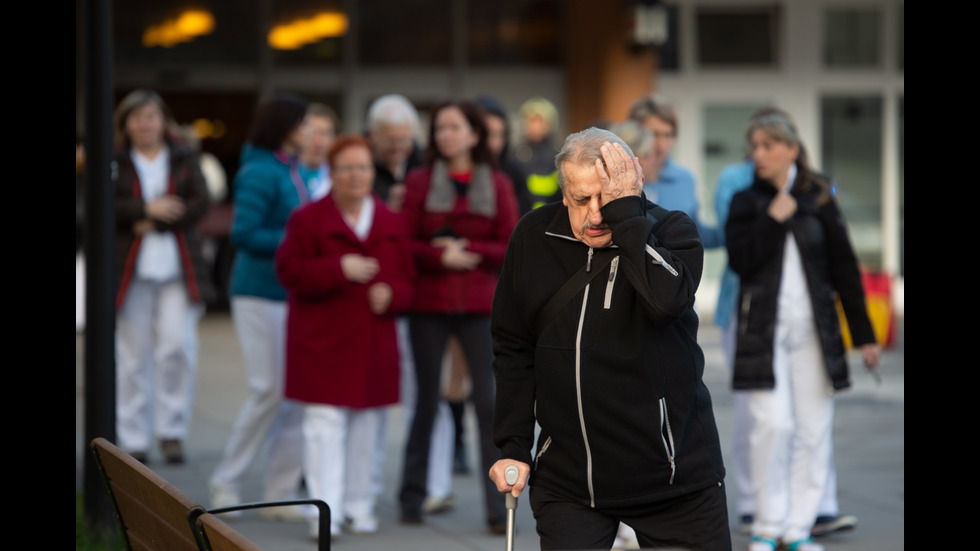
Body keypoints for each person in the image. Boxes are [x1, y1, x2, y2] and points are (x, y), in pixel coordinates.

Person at [489, 127, 730, 550]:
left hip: (672, 477)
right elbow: (513, 346)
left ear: (631, 186)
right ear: (564, 193)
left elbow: (665, 303)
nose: (597, 214)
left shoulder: (672, 231)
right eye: (582, 200)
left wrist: (630, 219)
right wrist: (513, 444)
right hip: (569, 480)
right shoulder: (534, 236)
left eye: (609, 197)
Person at [725, 110, 880, 551]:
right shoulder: (745, 201)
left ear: (791, 148)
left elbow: (844, 266)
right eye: (753, 147)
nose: (759, 154)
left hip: (814, 330)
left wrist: (864, 333)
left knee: (812, 427)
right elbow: (742, 261)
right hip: (762, 330)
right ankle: (767, 525)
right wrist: (773, 218)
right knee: (771, 423)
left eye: (767, 145)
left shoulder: (821, 196)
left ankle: (798, 527)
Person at [276, 135, 416, 539]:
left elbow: (408, 280)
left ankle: (359, 505)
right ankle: (326, 512)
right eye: (347, 168)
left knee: (367, 429)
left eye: (364, 167)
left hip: (372, 341)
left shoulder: (391, 222)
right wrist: (338, 268)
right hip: (323, 341)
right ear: (331, 174)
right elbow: (289, 272)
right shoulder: (307, 220)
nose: (357, 176)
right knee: (323, 427)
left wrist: (391, 294)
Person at [398, 98, 520, 534]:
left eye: (453, 127)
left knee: (488, 404)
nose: (445, 134)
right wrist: (437, 255)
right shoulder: (418, 180)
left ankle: (497, 509)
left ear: (473, 134)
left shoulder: (499, 182)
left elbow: (510, 242)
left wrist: (468, 251)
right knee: (426, 401)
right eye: (439, 128)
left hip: (479, 305)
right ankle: (411, 497)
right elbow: (405, 242)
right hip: (428, 303)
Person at [209, 94, 315, 518]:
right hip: (258, 294)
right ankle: (226, 482)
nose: (310, 130)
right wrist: (298, 246)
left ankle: (281, 491)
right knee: (267, 391)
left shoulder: (295, 169)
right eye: (304, 123)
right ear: (285, 126)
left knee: (294, 397)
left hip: (292, 295)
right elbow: (244, 233)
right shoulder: (258, 171)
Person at [111, 89, 214, 464]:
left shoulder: (185, 156)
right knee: (133, 355)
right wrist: (143, 209)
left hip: (178, 267)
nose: (145, 124)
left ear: (163, 120)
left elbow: (202, 201)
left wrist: (158, 216)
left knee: (177, 347)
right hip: (130, 269)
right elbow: (98, 204)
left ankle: (172, 431)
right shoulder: (114, 160)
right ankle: (134, 435)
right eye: (137, 118)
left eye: (151, 117)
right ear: (126, 124)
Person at [628, 94, 722, 248]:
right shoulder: (617, 177)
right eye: (653, 134)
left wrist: (733, 229)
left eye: (668, 135)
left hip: (674, 269)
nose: (661, 144)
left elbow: (694, 233)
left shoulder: (685, 179)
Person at [365, 94, 424, 213]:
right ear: (372, 135)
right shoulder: (360, 166)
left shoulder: (425, 163)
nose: (397, 147)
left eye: (403, 139)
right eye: (390, 140)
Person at [512, 96, 562, 210]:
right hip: (523, 219)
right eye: (531, 121)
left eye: (540, 121)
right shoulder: (516, 154)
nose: (535, 126)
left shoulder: (559, 154)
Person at [300, 102, 339, 201]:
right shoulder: (286, 174)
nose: (319, 142)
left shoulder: (340, 178)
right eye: (313, 133)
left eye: (325, 134)